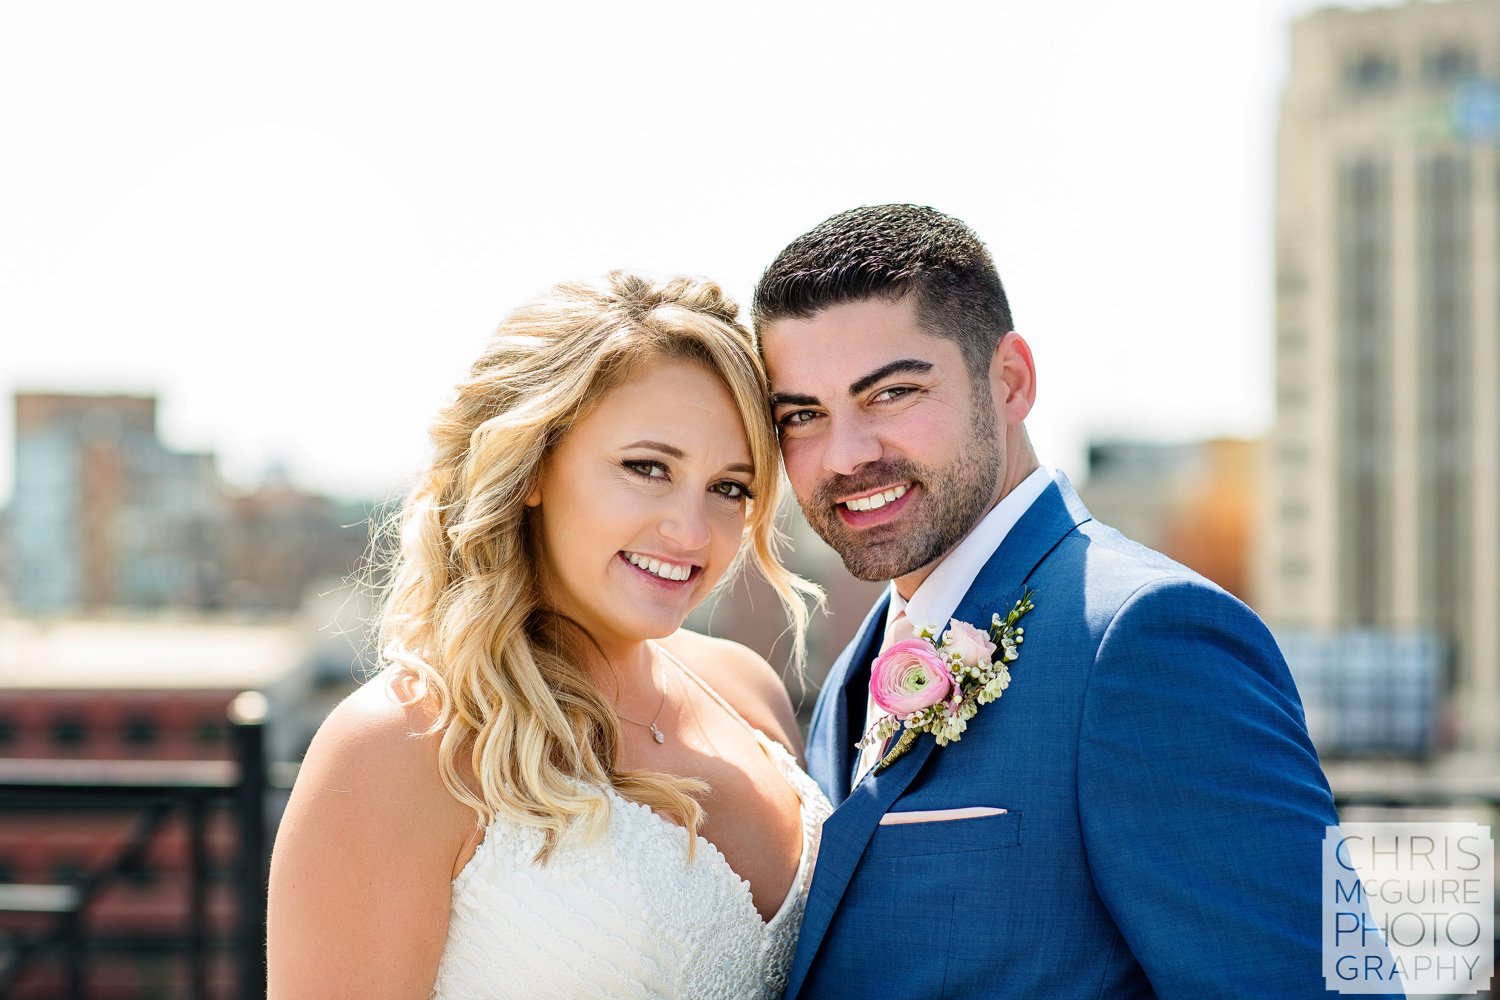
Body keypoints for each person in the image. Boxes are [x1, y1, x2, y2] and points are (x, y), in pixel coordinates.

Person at [752, 205, 1394, 999]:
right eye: (803, 416)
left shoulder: (1149, 640)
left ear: (1011, 381)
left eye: (891, 393)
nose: (846, 455)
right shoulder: (855, 673)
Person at [267, 272, 829, 999]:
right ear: (535, 464)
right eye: (647, 468)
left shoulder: (745, 688)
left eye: (731, 488)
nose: (692, 532)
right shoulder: (402, 744)